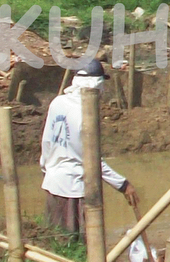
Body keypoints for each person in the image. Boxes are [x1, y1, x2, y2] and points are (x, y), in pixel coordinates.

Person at [39, 60, 139, 236]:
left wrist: (46, 169)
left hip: (52, 182)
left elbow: (47, 142)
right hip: (73, 188)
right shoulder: (86, 114)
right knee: (76, 239)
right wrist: (123, 184)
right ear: (97, 85)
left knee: (56, 239)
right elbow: (93, 162)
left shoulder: (57, 102)